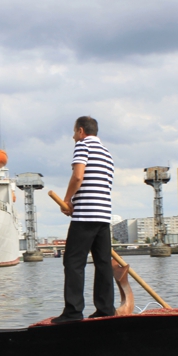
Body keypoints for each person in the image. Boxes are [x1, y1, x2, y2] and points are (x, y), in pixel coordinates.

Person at [52, 116, 116, 322]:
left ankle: (73, 312)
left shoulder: (82, 146)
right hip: (104, 214)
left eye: (73, 132)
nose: (73, 137)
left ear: (81, 131)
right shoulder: (108, 154)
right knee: (103, 263)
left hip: (85, 215)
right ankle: (106, 310)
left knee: (73, 262)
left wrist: (67, 199)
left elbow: (78, 176)